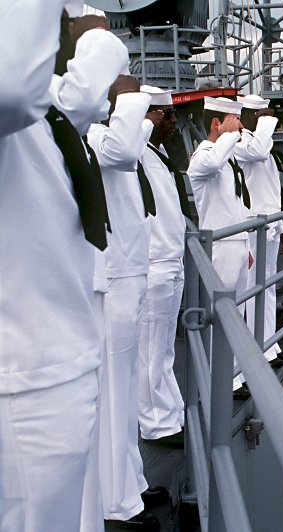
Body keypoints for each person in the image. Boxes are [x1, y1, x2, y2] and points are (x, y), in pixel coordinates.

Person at [0, 6, 128, 531]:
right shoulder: (18, 95)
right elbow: (14, 85)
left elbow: (71, 99)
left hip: (57, 367)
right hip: (26, 383)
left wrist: (93, 38)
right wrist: (93, 35)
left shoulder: (47, 109)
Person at [87, 73, 161, 526]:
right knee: (113, 392)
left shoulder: (117, 133)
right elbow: (125, 151)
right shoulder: (98, 135)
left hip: (131, 272)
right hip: (114, 277)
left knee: (126, 384)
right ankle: (114, 503)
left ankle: (129, 484)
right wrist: (129, 96)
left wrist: (136, 107)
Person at [137, 85, 188, 449]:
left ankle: (169, 414)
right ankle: (156, 423)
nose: (175, 121)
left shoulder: (157, 152)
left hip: (171, 258)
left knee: (163, 347)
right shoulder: (136, 148)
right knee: (152, 348)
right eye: (167, 114)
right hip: (154, 261)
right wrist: (142, 116)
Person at [234, 94, 283, 362]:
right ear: (248, 116)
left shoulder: (261, 142)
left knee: (266, 287)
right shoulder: (240, 141)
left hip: (268, 225)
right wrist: (266, 122)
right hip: (250, 227)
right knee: (249, 292)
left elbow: (270, 192)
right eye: (261, 116)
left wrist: (282, 228)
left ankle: (267, 346)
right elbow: (256, 152)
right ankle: (249, 354)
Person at [187, 96, 250, 303]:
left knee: (238, 311)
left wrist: (246, 246)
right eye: (235, 119)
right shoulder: (203, 156)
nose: (240, 126)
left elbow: (235, 204)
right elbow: (212, 163)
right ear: (216, 123)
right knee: (220, 311)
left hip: (237, 243)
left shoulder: (227, 156)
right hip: (221, 245)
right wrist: (230, 135)